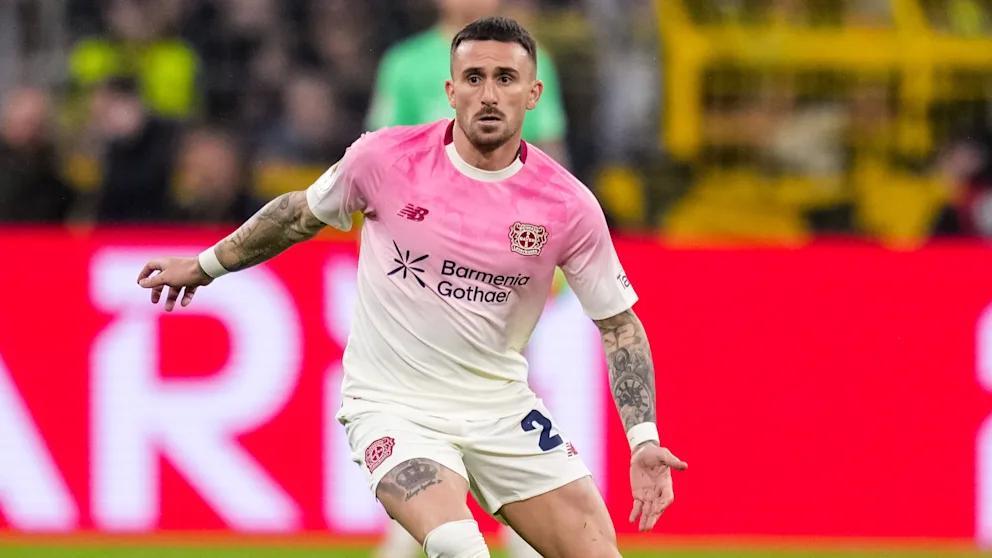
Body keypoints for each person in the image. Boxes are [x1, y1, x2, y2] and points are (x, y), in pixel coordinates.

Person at [136, 17, 685, 558]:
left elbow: (619, 325)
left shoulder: (567, 205)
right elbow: (297, 215)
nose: (488, 95)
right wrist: (204, 266)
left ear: (534, 94)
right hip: (394, 408)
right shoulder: (384, 159)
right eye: (473, 78)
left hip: (502, 410)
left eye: (505, 78)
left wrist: (643, 439)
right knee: (458, 547)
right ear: (450, 90)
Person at [367, 0, 570, 165]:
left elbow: (548, 145)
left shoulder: (529, 59)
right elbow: (384, 148)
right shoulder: (404, 63)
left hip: (506, 194)